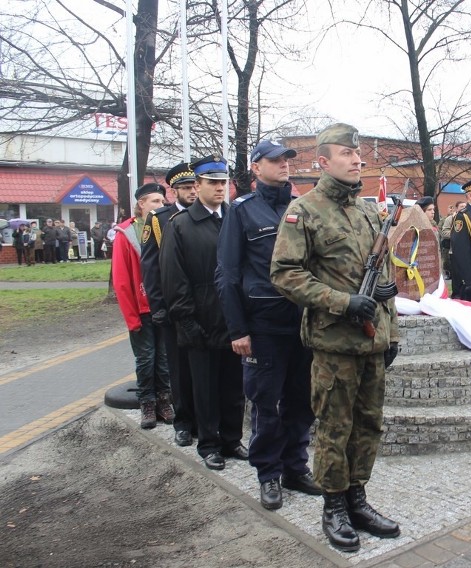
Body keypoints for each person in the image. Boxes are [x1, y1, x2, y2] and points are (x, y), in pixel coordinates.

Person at [269, 123, 401, 553]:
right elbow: (285, 275)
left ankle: (357, 498)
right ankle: (334, 507)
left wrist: (390, 326)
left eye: (358, 154)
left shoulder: (368, 211)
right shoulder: (304, 211)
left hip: (372, 342)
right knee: (333, 427)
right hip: (334, 343)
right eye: (347, 154)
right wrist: (344, 302)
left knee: (369, 425)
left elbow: (382, 273)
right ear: (323, 161)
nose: (357, 160)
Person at [216, 140, 320, 511]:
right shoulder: (242, 211)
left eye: (286, 160)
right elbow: (227, 275)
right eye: (274, 160)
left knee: (302, 401)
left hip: (304, 322)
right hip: (263, 326)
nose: (283, 165)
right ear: (256, 168)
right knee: (266, 404)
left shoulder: (303, 208)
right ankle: (268, 474)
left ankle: (295, 467)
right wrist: (237, 329)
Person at [160, 155, 247, 471]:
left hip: (232, 319)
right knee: (205, 388)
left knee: (233, 386)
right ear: (197, 186)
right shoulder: (181, 225)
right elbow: (173, 278)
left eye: (223, 182)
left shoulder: (234, 218)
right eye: (213, 183)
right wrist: (186, 320)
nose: (220, 188)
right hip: (200, 319)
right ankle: (209, 443)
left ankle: (231, 438)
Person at [141, 162, 198, 447]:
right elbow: (150, 269)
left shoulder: (215, 215)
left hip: (205, 308)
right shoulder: (159, 219)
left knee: (205, 369)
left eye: (193, 186)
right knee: (179, 369)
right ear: (173, 191)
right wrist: (158, 307)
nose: (191, 191)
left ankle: (205, 421)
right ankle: (184, 422)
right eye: (186, 187)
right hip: (174, 309)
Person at [112, 183, 173, 428]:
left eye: (162, 201)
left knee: (164, 357)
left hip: (163, 305)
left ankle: (165, 400)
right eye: (155, 201)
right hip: (141, 307)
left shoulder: (167, 226)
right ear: (141, 204)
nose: (160, 206)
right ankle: (147, 402)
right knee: (146, 358)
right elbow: (122, 279)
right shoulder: (127, 233)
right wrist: (131, 317)